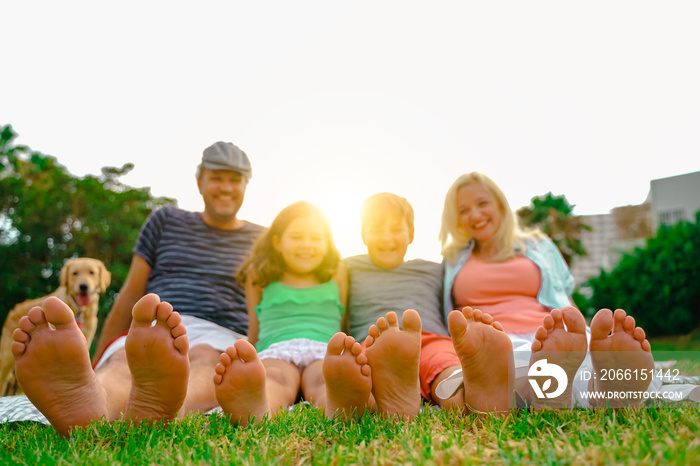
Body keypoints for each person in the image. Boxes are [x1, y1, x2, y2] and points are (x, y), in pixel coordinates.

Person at [12, 141, 264, 436]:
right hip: (152, 324)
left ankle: (171, 405)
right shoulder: (166, 220)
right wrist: (96, 359)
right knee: (122, 360)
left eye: (234, 180)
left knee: (207, 358)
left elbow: (273, 303)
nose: (225, 187)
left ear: (246, 185)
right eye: (216, 178)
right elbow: (131, 293)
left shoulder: (263, 239)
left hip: (221, 330)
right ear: (199, 182)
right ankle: (94, 400)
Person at [437, 171, 655, 411]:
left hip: (551, 334)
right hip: (493, 341)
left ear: (499, 204)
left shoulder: (539, 245)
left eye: (482, 203)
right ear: (454, 219)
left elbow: (564, 296)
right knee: (503, 367)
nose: (475, 215)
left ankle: (603, 389)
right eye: (463, 210)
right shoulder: (452, 258)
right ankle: (572, 390)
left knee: (571, 358)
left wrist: (580, 331)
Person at [212, 201, 371, 424]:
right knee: (274, 378)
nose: (306, 245)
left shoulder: (337, 271)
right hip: (276, 349)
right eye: (296, 237)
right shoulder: (259, 275)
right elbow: (254, 327)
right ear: (277, 242)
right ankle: (258, 408)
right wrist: (250, 356)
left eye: (316, 238)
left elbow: (342, 321)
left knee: (323, 379)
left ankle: (338, 405)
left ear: (327, 243)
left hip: (324, 349)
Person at [343, 193, 470, 417]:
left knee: (446, 367)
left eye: (395, 230)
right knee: (362, 371)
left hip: (428, 338)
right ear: (363, 235)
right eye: (377, 230)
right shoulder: (347, 267)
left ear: (411, 234)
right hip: (374, 342)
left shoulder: (434, 269)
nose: (386, 238)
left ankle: (471, 391)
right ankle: (380, 396)